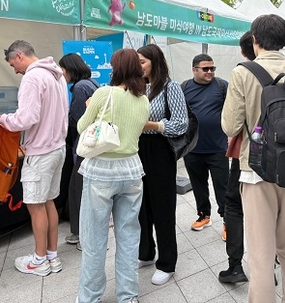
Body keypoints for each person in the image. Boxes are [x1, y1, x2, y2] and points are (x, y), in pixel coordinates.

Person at [221, 14, 285, 303]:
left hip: (256, 171)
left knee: (261, 255)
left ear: (255, 40)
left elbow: (230, 126)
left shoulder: (242, 72)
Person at [76, 49, 149, 303]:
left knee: (94, 238)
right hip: (132, 169)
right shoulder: (143, 100)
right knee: (129, 236)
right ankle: (128, 297)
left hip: (101, 170)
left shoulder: (103, 94)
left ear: (116, 68)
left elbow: (81, 127)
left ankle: (90, 297)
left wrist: (89, 108)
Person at [0, 40, 68, 277]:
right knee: (49, 202)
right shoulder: (57, 75)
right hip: (58, 147)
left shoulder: (32, 77)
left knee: (36, 205)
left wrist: (2, 119)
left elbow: (26, 119)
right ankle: (52, 255)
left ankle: (39, 260)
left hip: (40, 151)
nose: (15, 70)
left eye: (13, 64)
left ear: (19, 56)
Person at [136, 44, 188, 286]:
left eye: (142, 62)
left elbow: (181, 123)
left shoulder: (170, 87)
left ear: (155, 62)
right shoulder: (135, 87)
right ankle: (146, 252)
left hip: (159, 149)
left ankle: (167, 262)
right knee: (140, 205)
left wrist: (152, 125)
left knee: (162, 207)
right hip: (136, 149)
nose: (139, 66)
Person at [218, 31, 254, 284]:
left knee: (234, 205)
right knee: (273, 211)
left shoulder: (242, 73)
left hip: (248, 153)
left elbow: (231, 125)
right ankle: (269, 265)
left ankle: (235, 265)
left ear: (243, 51)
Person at [181, 54, 229, 236]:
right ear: (194, 70)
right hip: (192, 148)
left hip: (218, 147)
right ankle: (204, 215)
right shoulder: (184, 87)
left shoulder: (222, 86)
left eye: (212, 68)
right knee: (198, 185)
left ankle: (227, 221)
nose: (210, 72)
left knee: (223, 187)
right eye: (205, 69)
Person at [58, 53, 99, 249]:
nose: (61, 73)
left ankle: (84, 235)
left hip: (85, 147)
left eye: (62, 69)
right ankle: (80, 232)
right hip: (92, 146)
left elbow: (78, 121)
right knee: (81, 189)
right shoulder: (91, 83)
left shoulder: (81, 87)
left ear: (70, 69)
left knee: (78, 190)